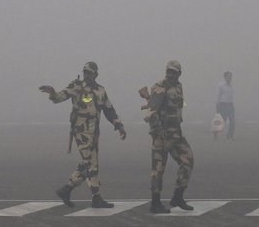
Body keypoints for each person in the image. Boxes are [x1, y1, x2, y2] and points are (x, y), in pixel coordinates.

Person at [40, 62, 125, 208]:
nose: (87, 75)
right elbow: (61, 96)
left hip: (94, 133)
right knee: (91, 164)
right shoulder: (77, 86)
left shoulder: (100, 90)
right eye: (85, 72)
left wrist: (118, 125)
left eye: (90, 72)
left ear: (96, 74)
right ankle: (96, 197)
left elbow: (109, 109)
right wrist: (53, 93)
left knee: (87, 164)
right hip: (81, 132)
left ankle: (66, 190)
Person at [144, 60, 194, 213]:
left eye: (174, 72)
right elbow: (151, 114)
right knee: (158, 169)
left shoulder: (178, 87)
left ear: (179, 73)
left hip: (176, 133)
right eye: (169, 71)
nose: (170, 74)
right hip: (162, 134)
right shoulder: (160, 87)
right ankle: (155, 202)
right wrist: (158, 131)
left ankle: (178, 196)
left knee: (188, 160)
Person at [215, 71, 235, 140]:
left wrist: (232, 105)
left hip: (230, 105)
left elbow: (231, 97)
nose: (230, 78)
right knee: (222, 121)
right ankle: (215, 132)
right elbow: (218, 96)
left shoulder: (231, 86)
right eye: (229, 76)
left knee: (232, 121)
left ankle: (230, 136)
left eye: (231, 76)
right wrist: (217, 106)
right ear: (225, 77)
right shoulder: (221, 85)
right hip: (223, 105)